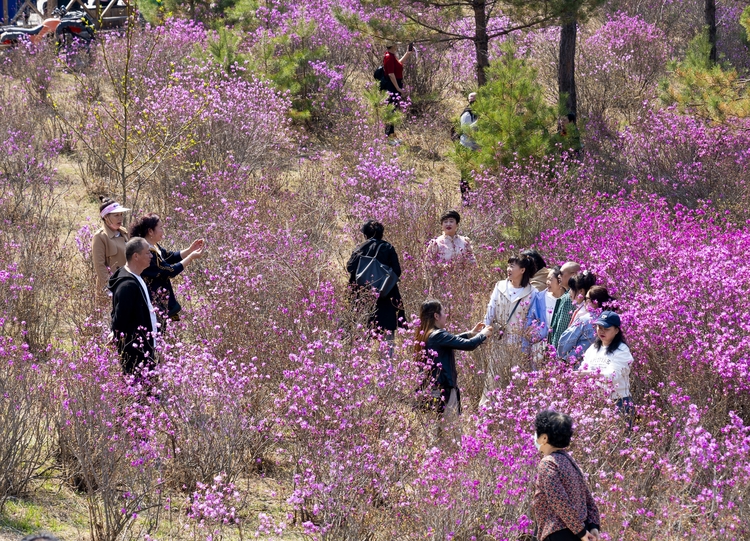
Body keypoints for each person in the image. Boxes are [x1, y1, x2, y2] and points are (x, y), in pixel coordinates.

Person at [414, 299, 492, 421]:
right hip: (445, 391)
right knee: (451, 433)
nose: (446, 316)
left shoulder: (425, 335)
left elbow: (452, 340)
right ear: (436, 316)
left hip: (431, 391)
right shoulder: (438, 335)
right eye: (443, 312)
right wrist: (483, 334)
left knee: (436, 430)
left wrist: (470, 333)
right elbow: (469, 345)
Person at [481, 254, 541, 405]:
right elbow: (491, 309)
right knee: (495, 376)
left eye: (512, 266)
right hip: (500, 338)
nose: (508, 269)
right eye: (508, 265)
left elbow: (535, 319)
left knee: (516, 378)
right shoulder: (500, 286)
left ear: (522, 270)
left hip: (519, 342)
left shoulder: (533, 292)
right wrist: (483, 331)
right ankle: (488, 411)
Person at [533, 410, 601, 541]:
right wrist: (593, 525)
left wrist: (581, 531)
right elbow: (588, 498)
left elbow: (559, 501)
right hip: (580, 529)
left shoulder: (548, 464)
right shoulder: (569, 460)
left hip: (560, 533)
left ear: (544, 438)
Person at [129, 214, 204, 322]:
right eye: (160, 228)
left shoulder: (154, 246)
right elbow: (170, 271)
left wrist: (189, 250)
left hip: (161, 299)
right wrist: (191, 257)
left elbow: (170, 256)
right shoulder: (147, 253)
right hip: (154, 301)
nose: (163, 231)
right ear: (150, 231)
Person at [347, 219, 405, 339]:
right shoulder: (388, 247)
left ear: (365, 234)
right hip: (386, 295)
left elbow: (350, 267)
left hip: (363, 296)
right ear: (381, 233)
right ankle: (388, 358)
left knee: (363, 331)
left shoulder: (360, 248)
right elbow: (397, 271)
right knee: (387, 333)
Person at [109, 237, 158, 375]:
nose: (151, 255)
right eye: (147, 252)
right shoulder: (128, 285)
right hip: (135, 354)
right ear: (136, 256)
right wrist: (115, 333)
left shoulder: (136, 277)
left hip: (145, 349)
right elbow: (119, 321)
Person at [579, 311, 634, 416]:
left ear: (617, 330)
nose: (601, 332)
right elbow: (583, 368)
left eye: (606, 329)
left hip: (618, 401)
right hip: (595, 401)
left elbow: (614, 376)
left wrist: (590, 375)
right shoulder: (593, 348)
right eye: (599, 327)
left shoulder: (622, 350)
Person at [556, 278, 608, 365]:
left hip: (577, 365)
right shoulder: (608, 320)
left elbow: (565, 341)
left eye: (587, 298)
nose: (584, 301)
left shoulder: (585, 320)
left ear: (595, 302)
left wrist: (563, 358)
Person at [91, 196, 131, 296]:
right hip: (112, 288)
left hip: (128, 283)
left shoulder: (124, 232)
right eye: (116, 215)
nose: (120, 218)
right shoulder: (100, 237)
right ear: (106, 217)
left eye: (121, 214)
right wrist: (109, 288)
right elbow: (100, 265)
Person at [382, 42, 414, 141]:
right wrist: (398, 88)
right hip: (392, 86)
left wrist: (407, 54)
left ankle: (392, 135)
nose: (398, 44)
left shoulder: (392, 56)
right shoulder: (389, 57)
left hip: (395, 85)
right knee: (391, 110)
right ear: (392, 45)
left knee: (393, 109)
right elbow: (391, 74)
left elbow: (399, 64)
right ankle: (388, 137)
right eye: (396, 43)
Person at [548, 261, 581, 348]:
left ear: (573, 275)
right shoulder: (569, 295)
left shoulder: (569, 298)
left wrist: (553, 351)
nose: (559, 276)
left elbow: (561, 329)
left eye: (561, 274)